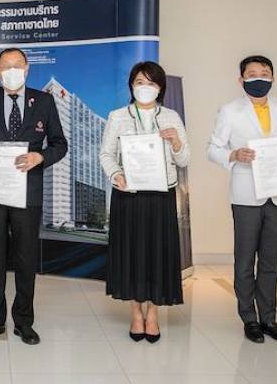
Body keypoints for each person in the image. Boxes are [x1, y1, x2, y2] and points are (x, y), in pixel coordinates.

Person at [0, 47, 68, 345]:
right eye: (6, 66)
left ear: (27, 68)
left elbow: (60, 144)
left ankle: (24, 321)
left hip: (28, 194)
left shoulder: (44, 101)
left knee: (26, 258)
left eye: (17, 65)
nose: (12, 70)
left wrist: (40, 157)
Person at [207, 55, 277, 344]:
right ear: (241, 80)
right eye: (252, 74)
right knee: (245, 260)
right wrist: (233, 154)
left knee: (271, 262)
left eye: (265, 73)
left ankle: (269, 319)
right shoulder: (230, 111)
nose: (259, 77)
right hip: (246, 195)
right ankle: (249, 318)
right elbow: (212, 148)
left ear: (273, 78)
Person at [99, 61, 189, 343]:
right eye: (140, 82)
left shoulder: (171, 117)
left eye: (151, 83)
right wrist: (116, 175)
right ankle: (136, 313)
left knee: (157, 254)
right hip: (129, 195)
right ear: (131, 86)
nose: (145, 87)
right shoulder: (117, 116)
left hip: (161, 195)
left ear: (160, 88)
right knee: (132, 254)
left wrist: (176, 143)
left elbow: (184, 159)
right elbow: (106, 154)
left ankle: (153, 314)